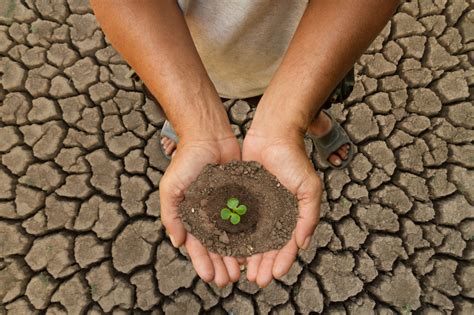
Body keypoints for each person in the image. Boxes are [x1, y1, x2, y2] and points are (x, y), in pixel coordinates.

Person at [91, 0, 399, 288]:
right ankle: (187, 122)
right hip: (176, 52)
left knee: (312, 105)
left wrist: (286, 122)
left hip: (307, 52)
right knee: (178, 102)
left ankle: (309, 122)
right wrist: (195, 123)